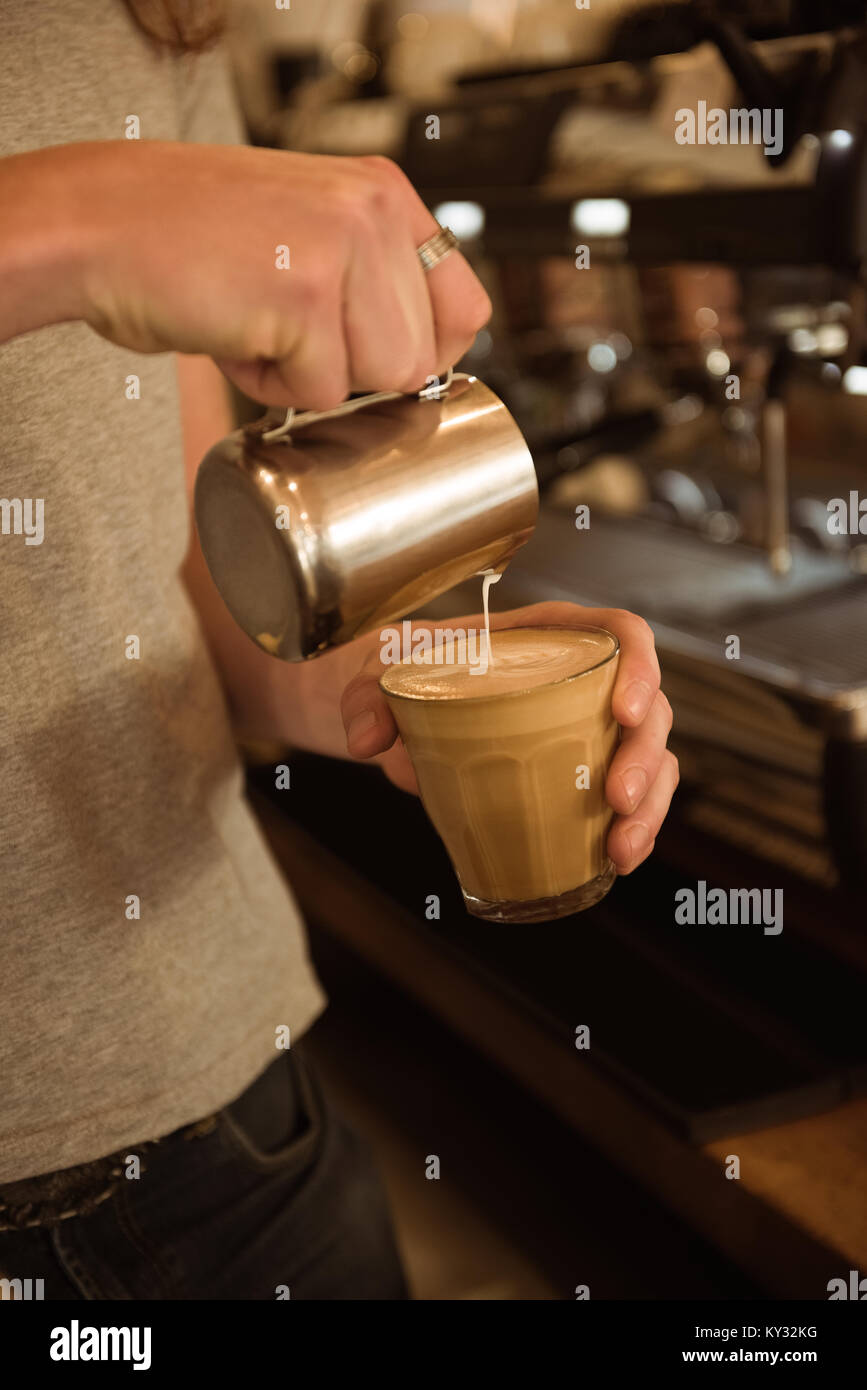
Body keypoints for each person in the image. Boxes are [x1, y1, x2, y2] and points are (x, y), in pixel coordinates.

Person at [0, 0, 679, 1299]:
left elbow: (207, 578)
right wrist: (77, 215)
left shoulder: (155, 13)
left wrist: (422, 682)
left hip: (222, 1117)